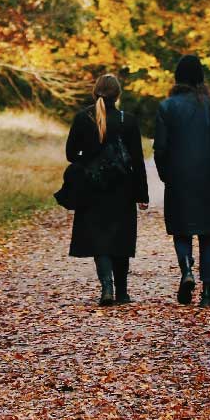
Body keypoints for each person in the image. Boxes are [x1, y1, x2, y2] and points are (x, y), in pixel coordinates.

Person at [153, 53, 210, 309]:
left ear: (177, 78)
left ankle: (186, 271)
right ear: (201, 77)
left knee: (181, 229)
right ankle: (207, 293)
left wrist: (166, 175)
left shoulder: (167, 107)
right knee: (208, 234)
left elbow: (160, 149)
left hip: (178, 174)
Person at [65, 73, 150, 307]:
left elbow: (71, 154)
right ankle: (122, 292)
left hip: (93, 188)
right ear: (118, 94)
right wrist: (142, 194)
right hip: (123, 188)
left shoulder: (83, 118)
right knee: (121, 237)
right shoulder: (128, 120)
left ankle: (107, 288)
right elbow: (137, 160)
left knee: (98, 237)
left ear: (95, 92)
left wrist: (88, 157)